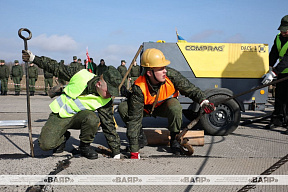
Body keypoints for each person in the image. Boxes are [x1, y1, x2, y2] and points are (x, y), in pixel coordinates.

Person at [22, 50, 123, 159]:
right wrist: (34, 58)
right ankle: (63, 138)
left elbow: (109, 125)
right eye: (109, 92)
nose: (110, 96)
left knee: (93, 119)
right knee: (45, 145)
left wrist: (116, 151)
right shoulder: (81, 74)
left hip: (79, 118)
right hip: (60, 115)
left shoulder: (106, 100)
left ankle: (84, 146)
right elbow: (56, 67)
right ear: (99, 84)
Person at [118, 48, 215, 159]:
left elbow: (191, 89)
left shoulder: (171, 75)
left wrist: (204, 102)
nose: (165, 71)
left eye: (164, 67)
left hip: (162, 107)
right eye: (160, 69)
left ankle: (175, 139)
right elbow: (134, 120)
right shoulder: (139, 87)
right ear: (149, 72)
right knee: (123, 107)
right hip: (144, 109)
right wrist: (134, 151)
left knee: (175, 105)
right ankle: (140, 138)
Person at [262, 15, 288, 134]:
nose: (283, 32)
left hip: (283, 70)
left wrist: (273, 72)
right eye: (282, 29)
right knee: (279, 98)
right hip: (283, 73)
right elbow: (273, 54)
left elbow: (287, 59)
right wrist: (267, 68)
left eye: (285, 29)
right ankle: (277, 120)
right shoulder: (278, 38)